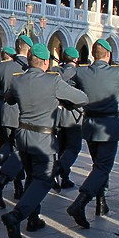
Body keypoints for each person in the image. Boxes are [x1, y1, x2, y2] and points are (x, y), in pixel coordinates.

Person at [0, 44, 87, 238]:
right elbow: (82, 98)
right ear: (46, 62)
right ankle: (17, 215)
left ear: (29, 60)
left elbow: (10, 100)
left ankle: (33, 218)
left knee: (32, 176)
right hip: (43, 138)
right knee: (45, 179)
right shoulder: (53, 80)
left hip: (22, 135)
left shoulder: (18, 80)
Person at [66, 39, 119, 229]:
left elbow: (67, 86)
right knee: (103, 167)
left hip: (89, 124)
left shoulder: (82, 71)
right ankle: (81, 202)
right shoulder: (117, 72)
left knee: (97, 165)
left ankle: (101, 203)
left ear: (92, 55)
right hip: (109, 125)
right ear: (109, 55)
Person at [0, 36, 33, 204]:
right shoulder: (28, 68)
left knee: (7, 145)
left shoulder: (3, 66)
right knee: (19, 150)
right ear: (28, 49)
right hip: (20, 113)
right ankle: (17, 185)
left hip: (5, 111)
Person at [52, 46, 83, 190]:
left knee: (61, 147)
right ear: (76, 59)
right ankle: (60, 171)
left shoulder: (57, 71)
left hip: (58, 114)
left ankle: (63, 177)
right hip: (73, 115)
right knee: (73, 147)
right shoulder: (79, 72)